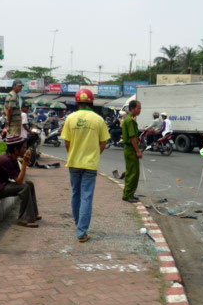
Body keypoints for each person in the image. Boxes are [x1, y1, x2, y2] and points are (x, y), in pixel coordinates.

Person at [61, 89, 110, 243]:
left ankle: (78, 224)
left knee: (76, 193)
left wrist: (73, 154)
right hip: (90, 164)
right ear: (91, 102)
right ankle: (81, 231)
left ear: (77, 102)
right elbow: (103, 143)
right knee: (86, 196)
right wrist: (94, 155)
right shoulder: (98, 119)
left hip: (74, 162)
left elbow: (67, 142)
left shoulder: (70, 118)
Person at [0, 134, 41, 228]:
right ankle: (25, 219)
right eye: (23, 148)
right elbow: (20, 182)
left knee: (29, 184)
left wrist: (24, 163)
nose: (25, 150)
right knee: (25, 187)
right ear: (16, 149)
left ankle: (33, 214)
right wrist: (24, 163)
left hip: (3, 185)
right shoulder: (5, 160)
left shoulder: (13, 158)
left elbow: (20, 178)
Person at [122, 100, 142, 203]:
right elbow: (132, 137)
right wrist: (137, 151)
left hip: (130, 149)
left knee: (134, 172)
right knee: (132, 173)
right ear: (132, 109)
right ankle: (127, 194)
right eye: (138, 108)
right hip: (130, 149)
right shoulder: (129, 120)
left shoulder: (131, 119)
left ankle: (130, 193)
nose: (140, 110)